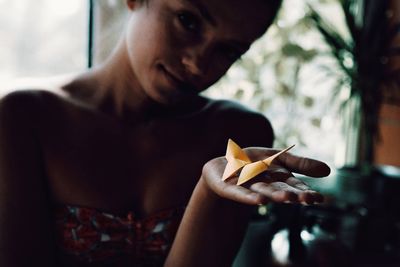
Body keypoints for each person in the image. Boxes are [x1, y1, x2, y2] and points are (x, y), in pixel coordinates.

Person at [0, 0, 330, 266]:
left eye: (229, 49)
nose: (198, 65)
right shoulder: (23, 119)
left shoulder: (238, 135)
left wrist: (209, 194)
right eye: (188, 20)